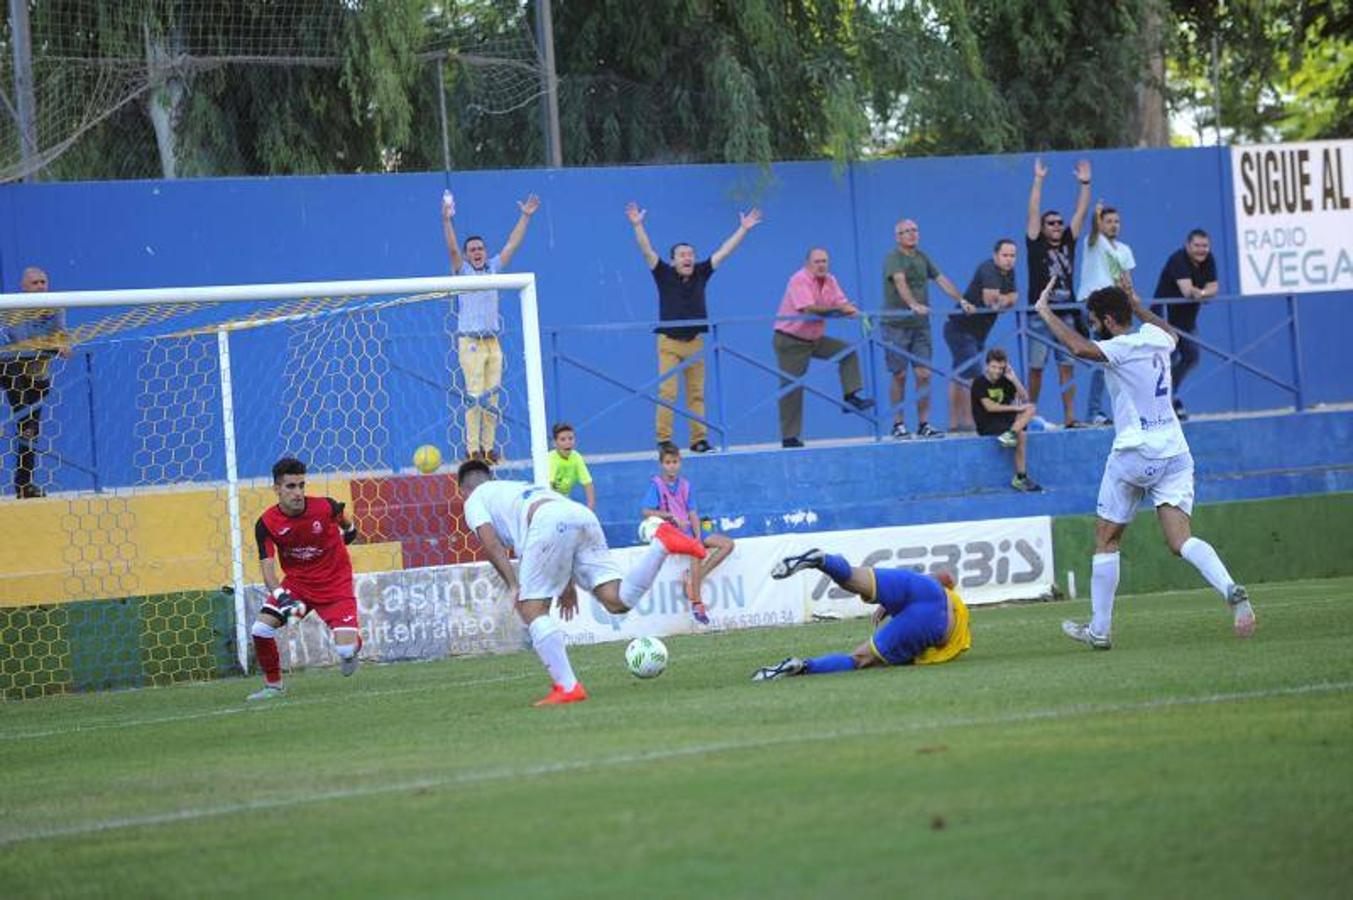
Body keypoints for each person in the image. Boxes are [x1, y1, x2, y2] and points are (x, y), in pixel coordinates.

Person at [1033, 276, 1256, 648]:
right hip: (1174, 451)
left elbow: (1079, 349)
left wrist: (1044, 312)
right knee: (1181, 540)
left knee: (1107, 538)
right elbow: (1174, 334)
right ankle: (1229, 587)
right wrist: (1136, 303)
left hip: (1136, 451)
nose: (1091, 325)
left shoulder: (1119, 347)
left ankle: (1100, 631)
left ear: (1106, 319)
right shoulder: (1155, 338)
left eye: (1093, 318)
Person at [458, 458, 707, 706]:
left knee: (531, 608)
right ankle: (661, 545)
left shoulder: (474, 500)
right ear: (491, 478)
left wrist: (513, 585)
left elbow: (490, 544)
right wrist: (565, 584)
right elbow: (551, 537)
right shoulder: (515, 488)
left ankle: (568, 687)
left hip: (547, 521)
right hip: (581, 515)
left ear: (462, 491)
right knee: (616, 600)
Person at [625, 201, 762, 453]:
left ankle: (698, 440)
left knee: (696, 394)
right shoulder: (663, 273)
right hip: (669, 342)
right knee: (667, 392)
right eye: (682, 255)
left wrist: (743, 229)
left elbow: (724, 252)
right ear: (673, 260)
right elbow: (646, 251)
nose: (687, 258)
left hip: (695, 342)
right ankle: (664, 440)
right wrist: (637, 225)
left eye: (690, 254)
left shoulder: (701, 272)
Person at [751, 549, 971, 680]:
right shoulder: (960, 639)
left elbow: (945, 577)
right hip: (932, 623)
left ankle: (823, 560)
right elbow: (930, 648)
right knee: (858, 660)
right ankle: (802, 666)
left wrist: (887, 604)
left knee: (853, 578)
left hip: (925, 587)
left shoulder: (951, 595)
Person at [247, 457, 363, 701]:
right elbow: (267, 569)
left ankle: (352, 648)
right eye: (291, 486)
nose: (298, 493)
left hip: (335, 584)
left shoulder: (326, 507)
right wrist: (282, 596)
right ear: (277, 489)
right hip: (297, 586)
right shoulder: (266, 524)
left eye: (301, 485)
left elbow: (346, 523)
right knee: (261, 629)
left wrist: (350, 533)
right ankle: (274, 686)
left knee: (345, 649)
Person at [441, 190, 541, 463]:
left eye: (480, 249)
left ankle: (488, 448)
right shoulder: (462, 271)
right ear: (466, 255)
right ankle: (472, 450)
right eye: (472, 250)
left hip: (492, 341)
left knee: (493, 398)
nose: (477, 253)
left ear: (485, 252)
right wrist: (447, 220)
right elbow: (451, 248)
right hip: (470, 341)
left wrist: (525, 216)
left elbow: (512, 244)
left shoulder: (494, 267)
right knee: (474, 397)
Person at [772, 248, 873, 448]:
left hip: (813, 338)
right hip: (790, 340)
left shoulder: (830, 280)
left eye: (824, 261)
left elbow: (841, 303)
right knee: (792, 386)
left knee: (847, 351)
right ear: (807, 264)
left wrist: (855, 312)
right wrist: (839, 310)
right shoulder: (798, 279)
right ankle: (789, 437)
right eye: (817, 261)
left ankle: (850, 397)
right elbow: (808, 309)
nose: (821, 265)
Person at [881, 218, 967, 439]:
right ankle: (898, 425)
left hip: (921, 326)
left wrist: (962, 300)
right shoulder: (894, 258)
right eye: (906, 231)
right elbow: (900, 282)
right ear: (898, 237)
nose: (912, 234)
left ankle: (923, 424)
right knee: (899, 375)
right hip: (895, 325)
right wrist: (912, 305)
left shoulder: (922, 257)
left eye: (914, 230)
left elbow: (941, 279)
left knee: (924, 374)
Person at [1024, 157, 1092, 428]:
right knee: (1037, 369)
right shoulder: (1035, 243)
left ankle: (1070, 418)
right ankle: (1029, 416)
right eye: (1051, 223)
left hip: (1066, 314)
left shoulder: (1068, 241)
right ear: (1042, 227)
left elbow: (1081, 212)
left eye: (1058, 223)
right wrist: (1038, 180)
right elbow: (1032, 210)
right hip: (1041, 314)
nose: (1056, 226)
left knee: (1067, 366)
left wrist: (1085, 184)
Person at [640, 442, 736, 625]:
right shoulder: (657, 485)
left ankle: (694, 579)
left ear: (680, 462)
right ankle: (697, 603)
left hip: (690, 532)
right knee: (696, 552)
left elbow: (693, 513)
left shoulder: (685, 485)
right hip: (672, 534)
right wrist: (669, 515)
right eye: (668, 462)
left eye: (675, 462)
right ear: (662, 464)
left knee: (727, 544)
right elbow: (646, 511)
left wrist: (698, 534)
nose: (672, 466)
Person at [1, 267, 67, 499]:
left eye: (43, 282)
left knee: (30, 431)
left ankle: (24, 485)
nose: (40, 286)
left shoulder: (56, 306)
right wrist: (52, 345)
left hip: (38, 374)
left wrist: (59, 343)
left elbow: (61, 336)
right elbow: (22, 342)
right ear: (23, 286)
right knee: (26, 423)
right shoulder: (12, 309)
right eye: (34, 283)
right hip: (11, 369)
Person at [945, 240, 1018, 432]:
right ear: (995, 256)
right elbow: (990, 299)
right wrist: (1005, 300)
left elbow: (1014, 298)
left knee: (959, 374)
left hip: (978, 332)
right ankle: (969, 423)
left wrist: (1003, 301)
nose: (1009, 260)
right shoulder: (988, 268)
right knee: (974, 375)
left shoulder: (1009, 273)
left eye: (1012, 256)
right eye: (1005, 255)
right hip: (960, 328)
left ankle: (954, 424)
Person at [1079, 201, 1137, 425]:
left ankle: (1127, 409)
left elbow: (1127, 281)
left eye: (1117, 222)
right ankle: (1093, 412)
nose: (1113, 225)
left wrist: (1134, 302)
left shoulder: (1124, 250)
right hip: (1095, 308)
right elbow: (1093, 232)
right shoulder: (1094, 242)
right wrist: (1094, 214)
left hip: (1118, 310)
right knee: (1100, 361)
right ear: (1100, 223)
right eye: (1108, 221)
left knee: (1125, 359)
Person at [1151, 229, 1219, 421]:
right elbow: (1188, 291)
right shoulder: (1178, 259)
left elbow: (1214, 288)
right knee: (1166, 362)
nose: (1201, 250)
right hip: (1164, 319)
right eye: (1197, 246)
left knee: (1192, 356)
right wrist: (1204, 292)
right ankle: (1160, 404)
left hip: (1186, 322)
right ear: (1188, 245)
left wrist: (1203, 293)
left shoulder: (1209, 260)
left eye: (1205, 246)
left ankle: (1169, 397)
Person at [971, 348, 1041, 492]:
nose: (997, 371)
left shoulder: (1006, 379)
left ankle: (1020, 478)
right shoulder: (979, 382)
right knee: (1021, 431)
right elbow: (990, 407)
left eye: (1000, 368)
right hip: (987, 424)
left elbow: (1025, 398)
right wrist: (1016, 409)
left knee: (1031, 409)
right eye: (994, 367)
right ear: (987, 366)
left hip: (1005, 422)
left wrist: (1013, 378)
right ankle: (1011, 434)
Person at [547, 422, 595, 509]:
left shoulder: (576, 457)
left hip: (564, 497)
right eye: (563, 439)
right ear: (554, 443)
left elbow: (588, 483)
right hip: (547, 498)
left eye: (570, 438)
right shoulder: (551, 459)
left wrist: (590, 507)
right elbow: (548, 485)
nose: (568, 442)